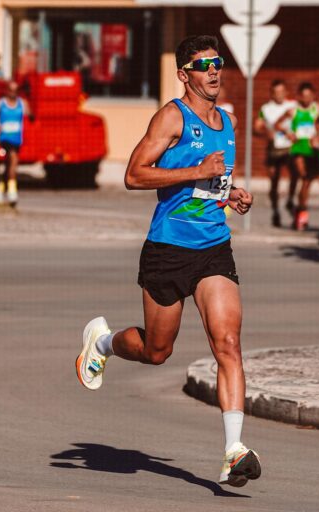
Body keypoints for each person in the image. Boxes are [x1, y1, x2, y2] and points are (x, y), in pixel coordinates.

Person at [75, 35, 260, 488]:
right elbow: (134, 174)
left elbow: (215, 182)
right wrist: (197, 171)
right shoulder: (172, 117)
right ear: (183, 74)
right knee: (157, 351)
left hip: (214, 247)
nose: (213, 71)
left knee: (228, 343)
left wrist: (231, 195)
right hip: (168, 249)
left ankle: (233, 451)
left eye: (218, 62)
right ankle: (103, 343)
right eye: (203, 65)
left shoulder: (228, 121)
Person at [276, 82, 319, 230]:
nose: (306, 99)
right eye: (304, 96)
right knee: (305, 177)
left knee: (315, 181)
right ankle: (301, 213)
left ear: (313, 96)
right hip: (299, 148)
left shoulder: (318, 109)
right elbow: (278, 124)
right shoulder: (293, 110)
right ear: (299, 96)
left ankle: (301, 210)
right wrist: (288, 133)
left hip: (313, 149)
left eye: (309, 96)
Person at [255, 79, 298, 227]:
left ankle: (290, 199)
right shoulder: (266, 108)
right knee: (274, 179)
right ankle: (275, 211)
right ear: (272, 94)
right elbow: (257, 127)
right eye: (276, 92)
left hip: (290, 147)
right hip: (274, 148)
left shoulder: (292, 106)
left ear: (286, 92)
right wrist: (265, 133)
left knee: (295, 173)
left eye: (281, 92)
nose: (279, 95)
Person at [0, 81, 31, 206]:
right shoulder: (1, 103)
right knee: (13, 160)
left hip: (17, 139)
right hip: (4, 138)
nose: (13, 93)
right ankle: (12, 191)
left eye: (16, 90)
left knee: (8, 165)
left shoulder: (22, 104)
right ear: (7, 91)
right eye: (11, 90)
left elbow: (30, 115)